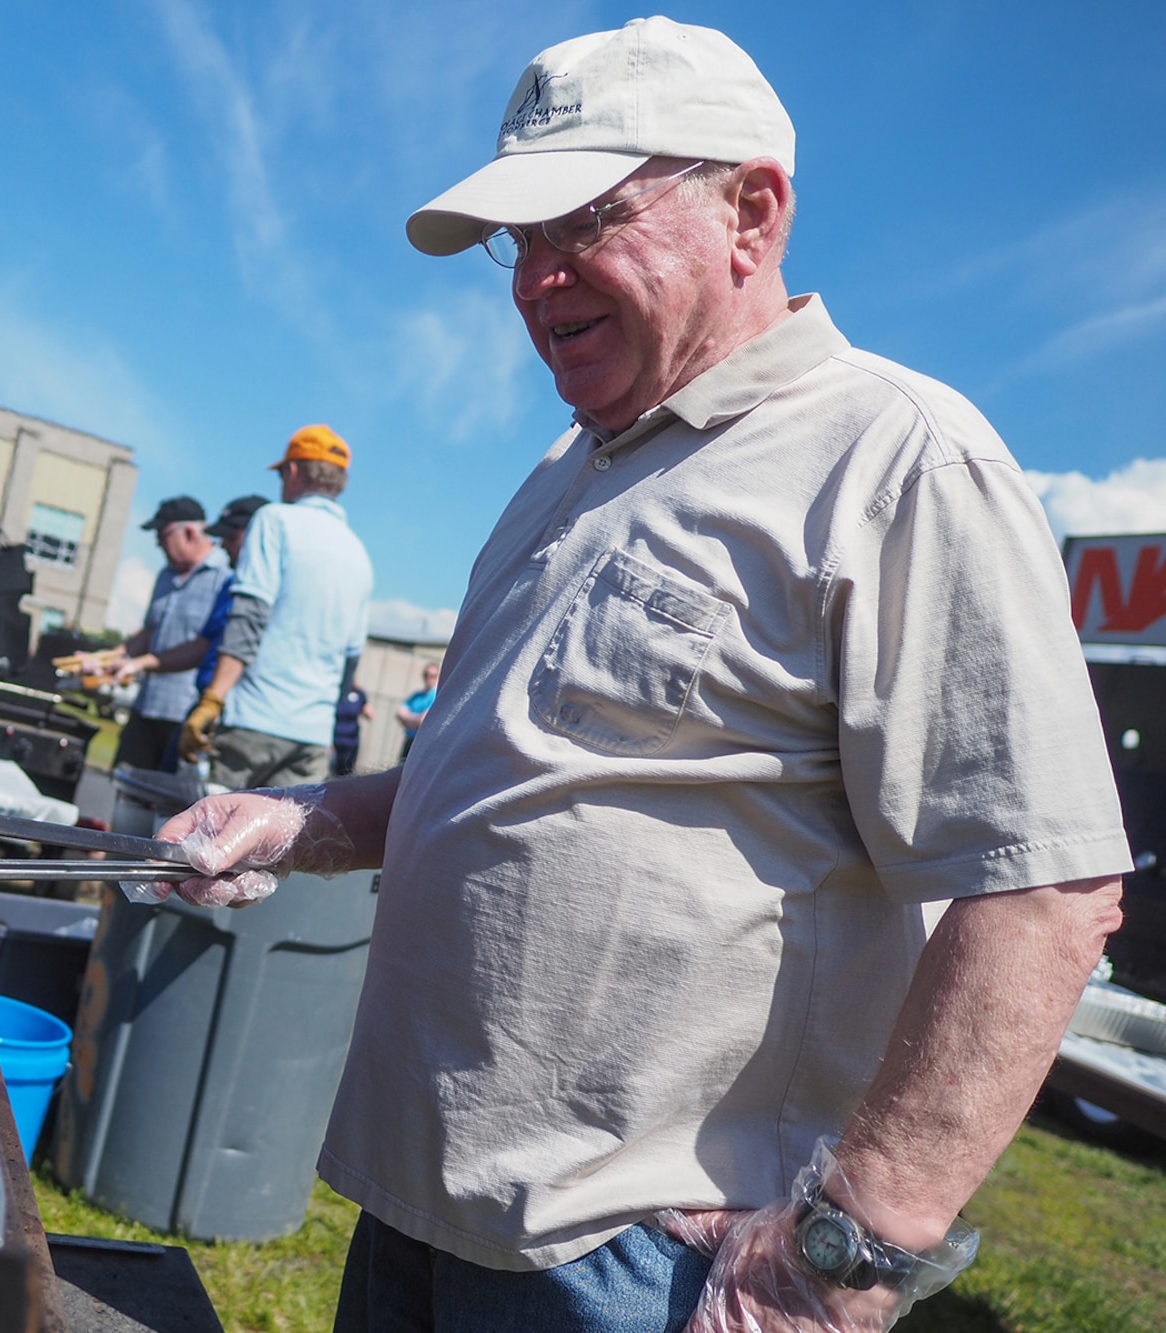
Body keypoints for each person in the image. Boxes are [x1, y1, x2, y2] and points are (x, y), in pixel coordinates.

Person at [147, 18, 1129, 1333]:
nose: (537, 280)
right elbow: (490, 760)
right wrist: (304, 820)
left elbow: (1045, 889)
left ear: (752, 211)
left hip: (646, 1263)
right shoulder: (568, 471)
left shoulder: (898, 459)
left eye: (584, 222)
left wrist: (850, 1245)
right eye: (520, 241)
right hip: (426, 1202)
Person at [177, 428, 374, 789]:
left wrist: (212, 700)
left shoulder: (275, 520)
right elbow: (351, 658)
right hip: (311, 738)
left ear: (295, 472)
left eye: (282, 473)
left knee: (215, 837)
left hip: (254, 722)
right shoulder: (358, 553)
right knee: (281, 845)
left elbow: (249, 618)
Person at [105, 497, 232, 772]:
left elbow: (207, 646)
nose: (157, 543)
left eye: (162, 535)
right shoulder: (165, 575)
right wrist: (111, 657)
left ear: (189, 533)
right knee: (124, 786)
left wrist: (140, 662)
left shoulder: (224, 576)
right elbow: (149, 631)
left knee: (168, 806)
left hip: (184, 715)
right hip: (145, 707)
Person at [393, 661, 439, 761]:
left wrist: (408, 718)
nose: (429, 678)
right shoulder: (416, 695)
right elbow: (399, 713)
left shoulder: (436, 696)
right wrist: (415, 720)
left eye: (433, 675)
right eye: (426, 675)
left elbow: (423, 721)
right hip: (409, 740)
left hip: (422, 743)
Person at [332, 685, 371, 776]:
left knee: (346, 772)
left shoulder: (359, 694)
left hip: (351, 741)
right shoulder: (336, 690)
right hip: (335, 740)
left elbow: (369, 714)